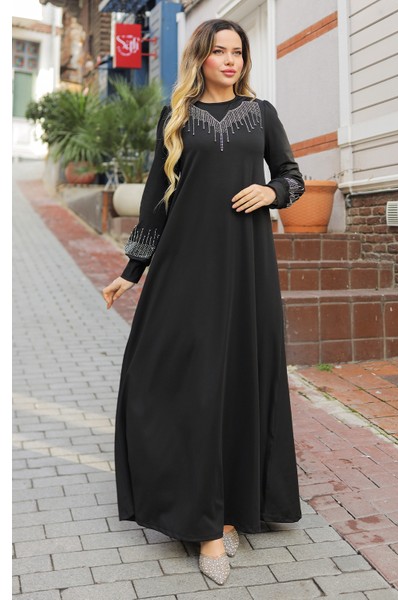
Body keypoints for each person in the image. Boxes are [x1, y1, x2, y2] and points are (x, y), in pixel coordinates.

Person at [102, 18, 305, 586]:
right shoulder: (177, 117)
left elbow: (293, 176)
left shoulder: (261, 114)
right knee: (177, 380)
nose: (230, 59)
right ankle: (202, 519)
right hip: (185, 270)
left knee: (236, 381)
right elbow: (156, 198)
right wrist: (132, 270)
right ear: (201, 57)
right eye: (219, 51)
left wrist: (270, 191)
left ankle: (227, 513)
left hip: (245, 272)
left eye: (237, 51)